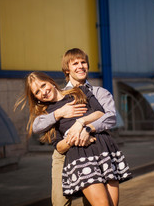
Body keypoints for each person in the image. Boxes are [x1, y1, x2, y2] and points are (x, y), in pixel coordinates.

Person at [17, 71, 131, 206]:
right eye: (37, 92)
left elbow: (100, 113)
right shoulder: (48, 115)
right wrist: (75, 135)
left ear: (51, 82)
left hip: (104, 149)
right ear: (37, 98)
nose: (43, 92)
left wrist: (81, 124)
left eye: (43, 85)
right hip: (80, 157)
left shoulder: (79, 91)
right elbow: (59, 146)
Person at [32, 48, 118, 205]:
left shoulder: (97, 92)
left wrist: (83, 126)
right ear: (66, 70)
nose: (80, 66)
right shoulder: (54, 99)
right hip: (66, 151)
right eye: (75, 63)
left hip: (96, 146)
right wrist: (60, 113)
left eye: (83, 62)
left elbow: (109, 116)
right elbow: (37, 126)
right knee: (61, 202)